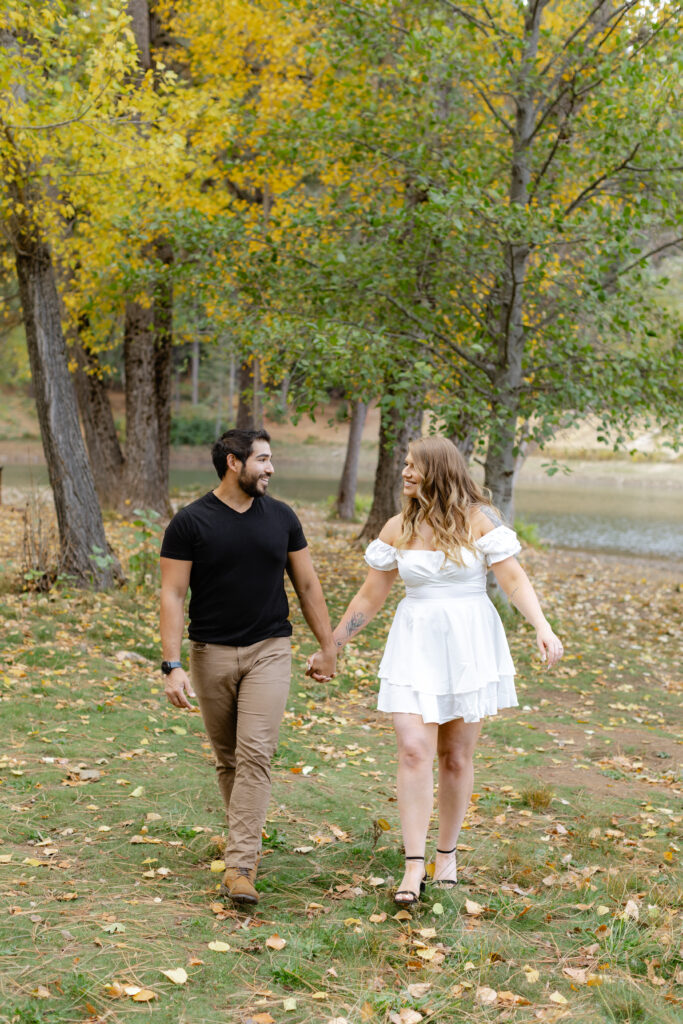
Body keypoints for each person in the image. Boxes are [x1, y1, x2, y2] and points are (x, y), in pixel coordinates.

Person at [307, 436, 563, 905]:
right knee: (412, 750)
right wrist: (333, 647)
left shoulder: (478, 521)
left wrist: (542, 627)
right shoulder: (396, 528)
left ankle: (447, 854)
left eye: (413, 465)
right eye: (403, 463)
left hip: (468, 644)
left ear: (439, 471)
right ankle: (412, 866)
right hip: (415, 643)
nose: (404, 472)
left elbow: (511, 578)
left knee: (455, 757)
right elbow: (370, 596)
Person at [160, 428, 336, 905]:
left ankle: (240, 866)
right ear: (234, 462)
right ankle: (245, 838)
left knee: (255, 753)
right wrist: (171, 664)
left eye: (271, 459)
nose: (271, 469)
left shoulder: (281, 518)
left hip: (270, 649)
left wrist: (328, 645)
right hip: (209, 654)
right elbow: (173, 594)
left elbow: (308, 585)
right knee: (229, 759)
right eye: (263, 459)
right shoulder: (190, 522)